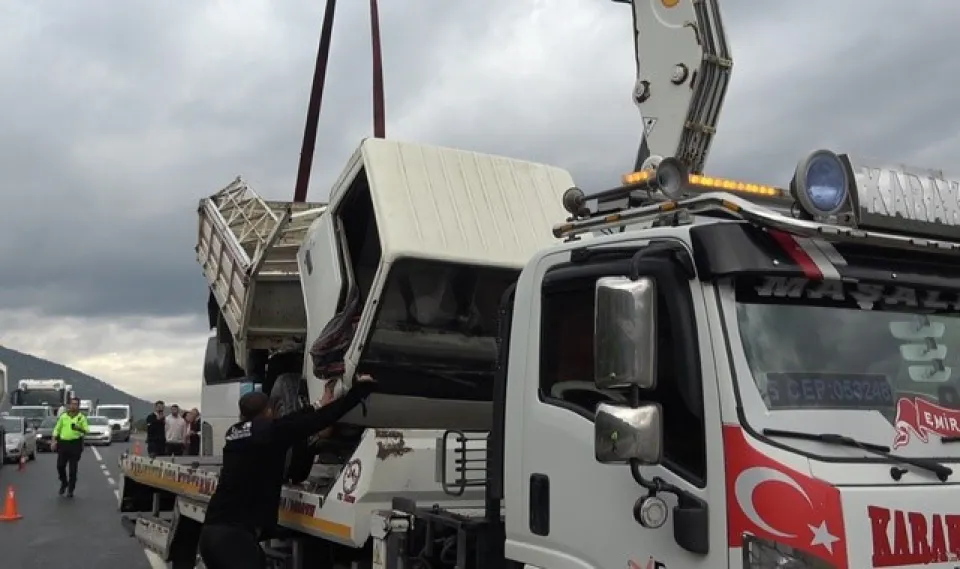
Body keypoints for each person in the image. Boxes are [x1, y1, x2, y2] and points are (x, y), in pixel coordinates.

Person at [198, 375, 376, 569]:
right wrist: (359, 391)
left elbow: (290, 421)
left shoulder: (235, 432)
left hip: (212, 532)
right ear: (268, 411)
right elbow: (319, 420)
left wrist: (318, 404)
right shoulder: (271, 434)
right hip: (233, 541)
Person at [50, 397, 88, 498]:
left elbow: (86, 430)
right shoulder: (63, 416)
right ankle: (64, 482)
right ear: (69, 405)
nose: (73, 406)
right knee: (60, 466)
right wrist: (53, 441)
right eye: (72, 404)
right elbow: (56, 429)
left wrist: (78, 428)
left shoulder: (81, 417)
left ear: (78, 406)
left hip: (75, 444)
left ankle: (71, 489)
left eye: (76, 404)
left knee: (73, 470)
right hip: (63, 444)